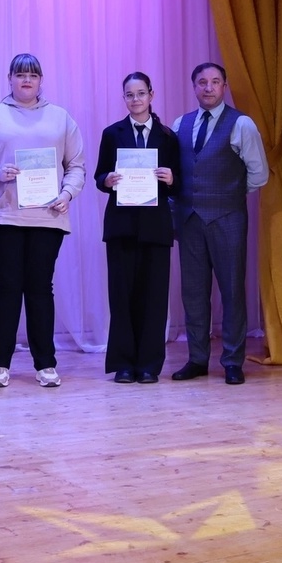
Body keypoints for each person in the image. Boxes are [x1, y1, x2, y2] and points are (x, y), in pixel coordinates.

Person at [0, 53, 85, 389]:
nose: (26, 80)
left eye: (32, 75)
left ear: (40, 80)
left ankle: (46, 363)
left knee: (40, 288)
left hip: (48, 216)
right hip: (3, 214)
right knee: (7, 288)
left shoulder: (60, 118)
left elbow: (76, 165)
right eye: (20, 75)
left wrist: (67, 194)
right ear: (9, 78)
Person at [170, 62, 269, 385]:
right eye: (202, 82)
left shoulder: (241, 124)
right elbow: (178, 171)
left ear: (224, 86)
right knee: (194, 293)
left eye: (215, 81)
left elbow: (258, 173)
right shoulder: (180, 124)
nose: (208, 87)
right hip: (189, 221)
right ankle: (197, 359)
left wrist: (227, 196)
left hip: (228, 219)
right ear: (194, 87)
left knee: (232, 291)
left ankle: (232, 361)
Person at [94, 72, 181, 385]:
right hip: (122, 226)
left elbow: (179, 183)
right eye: (130, 95)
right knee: (121, 296)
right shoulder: (112, 133)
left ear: (151, 95)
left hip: (155, 227)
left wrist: (171, 179)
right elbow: (99, 176)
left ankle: (149, 365)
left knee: (154, 297)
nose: (135, 99)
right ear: (124, 98)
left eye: (141, 93)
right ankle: (123, 363)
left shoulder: (168, 136)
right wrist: (107, 180)